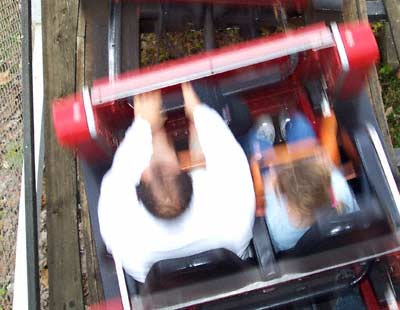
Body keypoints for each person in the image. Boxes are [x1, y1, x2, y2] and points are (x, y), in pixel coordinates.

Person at [98, 82, 255, 283]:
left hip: (174, 286)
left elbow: (119, 175)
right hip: (228, 272)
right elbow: (227, 152)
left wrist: (145, 125)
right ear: (187, 172)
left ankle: (153, 111)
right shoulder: (234, 213)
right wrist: (198, 110)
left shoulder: (123, 237)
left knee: (157, 140)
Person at [245, 112, 358, 252]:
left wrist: (260, 163)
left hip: (280, 176)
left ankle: (262, 137)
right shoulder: (339, 189)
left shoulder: (278, 226)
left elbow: (263, 184)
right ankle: (289, 126)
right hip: (319, 243)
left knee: (254, 141)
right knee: (301, 124)